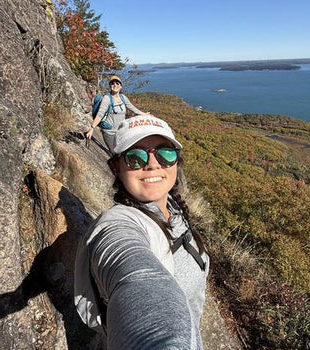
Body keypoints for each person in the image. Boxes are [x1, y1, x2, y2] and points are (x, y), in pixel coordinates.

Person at [75, 115, 210, 349]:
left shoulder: (172, 208)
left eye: (165, 154)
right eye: (135, 157)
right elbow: (135, 273)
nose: (152, 164)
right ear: (116, 167)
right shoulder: (118, 223)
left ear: (177, 162)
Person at [86, 75, 149, 153]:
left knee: (123, 150)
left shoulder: (123, 97)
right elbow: (100, 114)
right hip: (109, 131)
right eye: (112, 83)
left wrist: (143, 114)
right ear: (110, 86)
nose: (115, 85)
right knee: (114, 152)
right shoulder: (107, 98)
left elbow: (132, 107)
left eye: (117, 83)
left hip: (121, 131)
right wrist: (92, 128)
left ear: (121, 86)